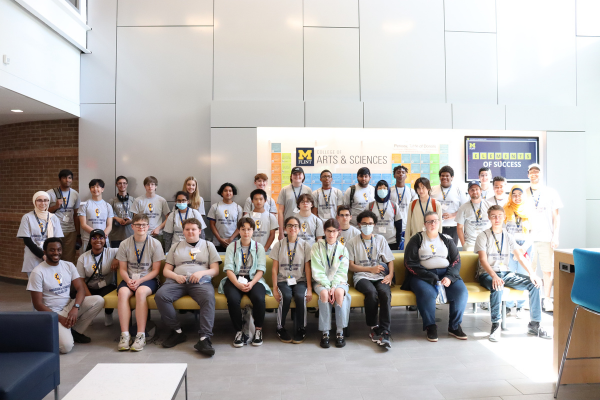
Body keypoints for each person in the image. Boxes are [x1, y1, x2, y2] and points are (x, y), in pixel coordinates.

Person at [475, 205, 551, 342]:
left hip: (506, 273)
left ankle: (535, 324)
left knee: (535, 284)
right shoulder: (483, 236)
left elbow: (520, 257)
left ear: (504, 217)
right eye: (493, 216)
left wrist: (532, 274)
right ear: (489, 217)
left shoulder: (508, 236)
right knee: (497, 286)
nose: (497, 218)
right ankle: (496, 325)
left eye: (499, 215)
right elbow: (482, 260)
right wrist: (494, 276)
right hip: (488, 274)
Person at [155, 218, 221, 356]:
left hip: (200, 282)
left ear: (199, 231)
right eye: (187, 229)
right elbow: (166, 270)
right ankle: (177, 331)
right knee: (161, 296)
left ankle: (204, 338)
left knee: (208, 298)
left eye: (193, 229)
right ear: (183, 231)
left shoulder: (208, 246)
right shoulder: (176, 246)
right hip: (177, 281)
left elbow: (215, 270)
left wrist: (202, 272)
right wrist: (175, 276)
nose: (190, 232)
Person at [28, 238, 104, 354]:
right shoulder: (38, 272)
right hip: (52, 313)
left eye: (59, 249)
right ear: (44, 251)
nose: (56, 253)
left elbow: (81, 289)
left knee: (98, 300)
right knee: (66, 347)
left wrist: (75, 307)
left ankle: (74, 332)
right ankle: (51, 334)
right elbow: (37, 304)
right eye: (52, 250)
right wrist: (60, 318)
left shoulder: (68, 266)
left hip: (68, 306)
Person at [403, 211, 468, 342]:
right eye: (429, 221)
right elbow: (409, 263)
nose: (433, 223)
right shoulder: (417, 239)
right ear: (424, 224)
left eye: (435, 221)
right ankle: (430, 326)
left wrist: (449, 277)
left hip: (446, 274)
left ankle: (454, 326)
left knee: (461, 292)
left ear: (439, 222)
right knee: (427, 293)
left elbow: (456, 261)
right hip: (422, 275)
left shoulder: (447, 239)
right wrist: (429, 276)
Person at [218, 218, 272, 347]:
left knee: (259, 298)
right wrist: (237, 284)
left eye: (249, 229)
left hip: (253, 279)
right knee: (232, 299)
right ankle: (239, 331)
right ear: (239, 231)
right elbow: (229, 269)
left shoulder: (259, 247)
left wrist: (252, 283)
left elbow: (261, 269)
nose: (246, 232)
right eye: (243, 229)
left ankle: (258, 330)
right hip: (235, 278)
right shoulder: (232, 246)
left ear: (253, 230)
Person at [116, 214, 165, 352]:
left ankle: (140, 335)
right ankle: (125, 335)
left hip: (147, 279)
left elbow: (156, 270)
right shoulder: (124, 244)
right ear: (132, 227)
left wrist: (140, 281)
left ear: (148, 227)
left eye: (144, 225)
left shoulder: (155, 244)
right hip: (129, 279)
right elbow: (123, 269)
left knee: (141, 292)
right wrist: (128, 281)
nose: (141, 227)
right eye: (138, 225)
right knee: (123, 292)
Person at [347, 210, 394, 348]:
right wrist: (369, 269)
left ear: (374, 225)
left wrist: (390, 275)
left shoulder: (380, 239)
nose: (367, 226)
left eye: (370, 223)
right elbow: (351, 266)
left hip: (379, 276)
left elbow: (390, 260)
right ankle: (373, 326)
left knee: (385, 293)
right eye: (365, 223)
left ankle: (385, 329)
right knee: (371, 293)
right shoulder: (352, 242)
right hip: (361, 277)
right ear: (359, 224)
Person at [270, 216, 312, 344]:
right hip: (283, 280)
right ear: (285, 228)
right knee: (286, 297)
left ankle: (301, 328)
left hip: (300, 280)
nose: (292, 228)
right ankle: (280, 327)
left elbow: (308, 269)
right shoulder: (279, 245)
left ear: (299, 229)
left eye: (295, 226)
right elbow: (274, 269)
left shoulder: (305, 245)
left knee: (300, 296)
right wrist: (275, 288)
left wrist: (309, 288)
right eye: (289, 225)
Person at [527, 163, 563, 312]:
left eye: (537, 172)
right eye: (531, 172)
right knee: (529, 270)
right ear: (528, 175)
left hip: (546, 237)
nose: (534, 174)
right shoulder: (524, 192)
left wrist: (556, 236)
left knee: (547, 270)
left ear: (542, 174)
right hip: (528, 239)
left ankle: (547, 299)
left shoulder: (550, 192)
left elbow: (557, 216)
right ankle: (528, 300)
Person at [311, 218, 351, 348]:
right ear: (324, 231)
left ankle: (340, 332)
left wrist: (334, 287)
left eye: (334, 231)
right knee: (324, 294)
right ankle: (325, 332)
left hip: (339, 281)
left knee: (339, 293)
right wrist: (327, 287)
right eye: (328, 231)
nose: (331, 234)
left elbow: (342, 271)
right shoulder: (316, 246)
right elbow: (317, 269)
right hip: (320, 281)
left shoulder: (343, 249)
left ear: (338, 232)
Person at [76, 229, 119, 326]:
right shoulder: (83, 258)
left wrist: (117, 258)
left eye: (101, 237)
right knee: (74, 292)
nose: (98, 240)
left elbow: (126, 249)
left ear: (105, 239)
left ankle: (108, 314)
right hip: (89, 287)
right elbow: (81, 281)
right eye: (94, 238)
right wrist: (90, 298)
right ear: (90, 241)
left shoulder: (111, 252)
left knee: (111, 290)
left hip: (106, 286)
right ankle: (87, 314)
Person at [503, 184, 533, 316]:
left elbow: (533, 232)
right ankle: (509, 305)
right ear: (510, 196)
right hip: (510, 245)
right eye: (514, 195)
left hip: (525, 246)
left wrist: (523, 248)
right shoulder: (505, 209)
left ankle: (520, 306)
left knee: (523, 275)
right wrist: (513, 248)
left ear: (523, 196)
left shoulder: (529, 209)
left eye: (519, 195)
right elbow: (503, 230)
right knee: (509, 274)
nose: (517, 197)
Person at [18, 192, 64, 276]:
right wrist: (42, 255)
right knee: (35, 286)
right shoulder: (27, 217)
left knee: (50, 285)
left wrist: (50, 254)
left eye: (45, 200)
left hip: (50, 256)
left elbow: (57, 240)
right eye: (39, 200)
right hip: (33, 257)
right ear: (34, 202)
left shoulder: (53, 218)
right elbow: (27, 241)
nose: (43, 203)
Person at [47, 169, 81, 263]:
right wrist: (56, 207)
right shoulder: (50, 193)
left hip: (70, 232)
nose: (67, 180)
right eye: (64, 177)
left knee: (69, 259)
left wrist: (78, 234)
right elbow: (43, 213)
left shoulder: (75, 194)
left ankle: (67, 278)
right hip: (54, 230)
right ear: (59, 179)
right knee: (54, 256)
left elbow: (76, 215)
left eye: (69, 178)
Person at [431, 166, 468, 244]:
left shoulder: (458, 190)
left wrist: (453, 215)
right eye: (442, 176)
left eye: (447, 176)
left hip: (453, 228)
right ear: (440, 177)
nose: (444, 177)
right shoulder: (432, 189)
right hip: (435, 227)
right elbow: (427, 208)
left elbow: (465, 209)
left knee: (452, 253)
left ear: (452, 177)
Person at [131, 176, 170, 247]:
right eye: (147, 184)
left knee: (159, 257)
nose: (150, 186)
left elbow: (168, 218)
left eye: (152, 184)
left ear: (156, 186)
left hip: (158, 234)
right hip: (142, 234)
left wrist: (158, 228)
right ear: (144, 186)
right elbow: (135, 219)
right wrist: (141, 229)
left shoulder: (162, 200)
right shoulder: (138, 200)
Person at [78, 179, 114, 252]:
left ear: (102, 189)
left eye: (98, 187)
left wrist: (102, 235)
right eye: (92, 187)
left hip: (103, 239)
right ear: (90, 189)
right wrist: (96, 235)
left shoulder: (108, 206)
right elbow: (83, 225)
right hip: (88, 239)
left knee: (104, 261)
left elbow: (109, 225)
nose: (95, 189)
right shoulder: (84, 205)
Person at [277, 167, 312, 238]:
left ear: (303, 176)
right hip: (289, 227)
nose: (297, 176)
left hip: (303, 228)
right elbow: (280, 211)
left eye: (299, 174)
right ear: (291, 176)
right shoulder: (284, 190)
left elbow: (311, 210)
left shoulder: (308, 190)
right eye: (295, 174)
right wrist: (280, 232)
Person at [207, 182, 243, 252]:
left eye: (230, 191)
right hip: (217, 242)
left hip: (233, 242)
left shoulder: (238, 208)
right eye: (225, 190)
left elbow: (240, 226)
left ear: (233, 193)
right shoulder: (215, 206)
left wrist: (231, 239)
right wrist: (220, 239)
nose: (228, 193)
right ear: (221, 193)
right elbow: (212, 225)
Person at [456, 181, 491, 251]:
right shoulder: (463, 208)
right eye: (472, 189)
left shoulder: (489, 206)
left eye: (477, 189)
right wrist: (464, 244)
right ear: (468, 192)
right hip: (470, 245)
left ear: (481, 191)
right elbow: (459, 228)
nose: (474, 191)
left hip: (487, 243)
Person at [389, 165, 417, 250]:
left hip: (407, 227)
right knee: (394, 250)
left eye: (403, 172)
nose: (401, 174)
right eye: (398, 172)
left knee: (407, 250)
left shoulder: (411, 191)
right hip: (393, 227)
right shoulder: (389, 191)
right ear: (394, 175)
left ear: (406, 175)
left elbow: (415, 209)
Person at [369, 180, 402, 250]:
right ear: (376, 190)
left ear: (388, 190)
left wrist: (398, 241)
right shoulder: (370, 206)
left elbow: (399, 225)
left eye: (384, 188)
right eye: (380, 188)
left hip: (391, 241)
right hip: (375, 241)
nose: (382, 190)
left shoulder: (394, 205)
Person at [108, 176, 134, 249]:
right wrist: (117, 219)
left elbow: (137, 216)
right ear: (116, 185)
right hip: (116, 235)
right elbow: (107, 215)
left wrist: (131, 221)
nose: (122, 185)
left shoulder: (133, 200)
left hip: (130, 234)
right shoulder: (111, 201)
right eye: (120, 183)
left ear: (127, 184)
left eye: (124, 183)